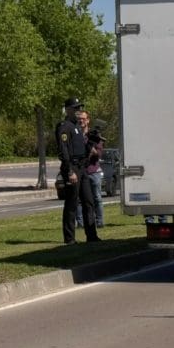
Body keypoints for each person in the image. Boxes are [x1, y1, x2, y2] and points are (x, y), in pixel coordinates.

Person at [56, 97, 101, 244]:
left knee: (89, 201)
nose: (77, 111)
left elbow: (84, 150)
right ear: (68, 109)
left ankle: (92, 236)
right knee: (71, 203)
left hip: (82, 167)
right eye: (75, 108)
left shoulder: (76, 127)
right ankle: (69, 238)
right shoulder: (64, 126)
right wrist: (69, 171)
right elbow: (64, 150)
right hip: (72, 167)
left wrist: (92, 141)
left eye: (79, 108)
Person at [75, 111, 105, 228]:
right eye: (79, 119)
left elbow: (98, 154)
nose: (81, 121)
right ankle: (81, 223)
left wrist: (90, 148)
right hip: (80, 171)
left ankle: (99, 221)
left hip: (93, 171)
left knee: (97, 198)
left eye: (83, 118)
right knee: (79, 200)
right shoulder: (75, 135)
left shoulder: (94, 135)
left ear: (88, 120)